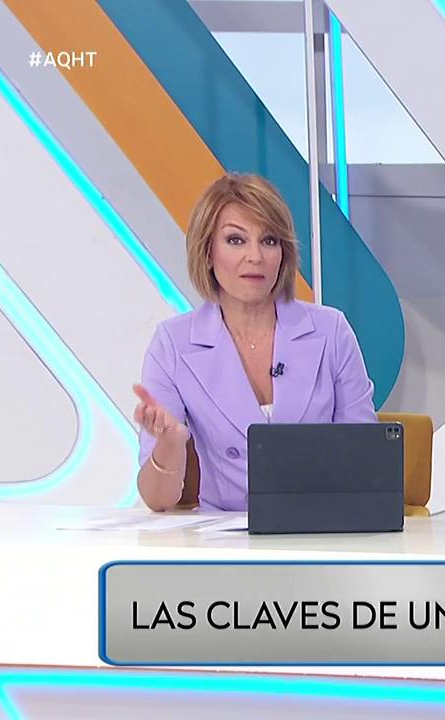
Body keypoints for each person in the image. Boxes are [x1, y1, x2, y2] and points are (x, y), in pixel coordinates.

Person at [133, 173, 377, 511]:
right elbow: (158, 500)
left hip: (319, 528)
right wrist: (171, 444)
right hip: (225, 533)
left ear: (283, 253)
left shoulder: (331, 331)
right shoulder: (173, 344)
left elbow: (366, 461)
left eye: (269, 240)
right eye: (235, 240)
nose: (255, 257)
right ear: (207, 252)